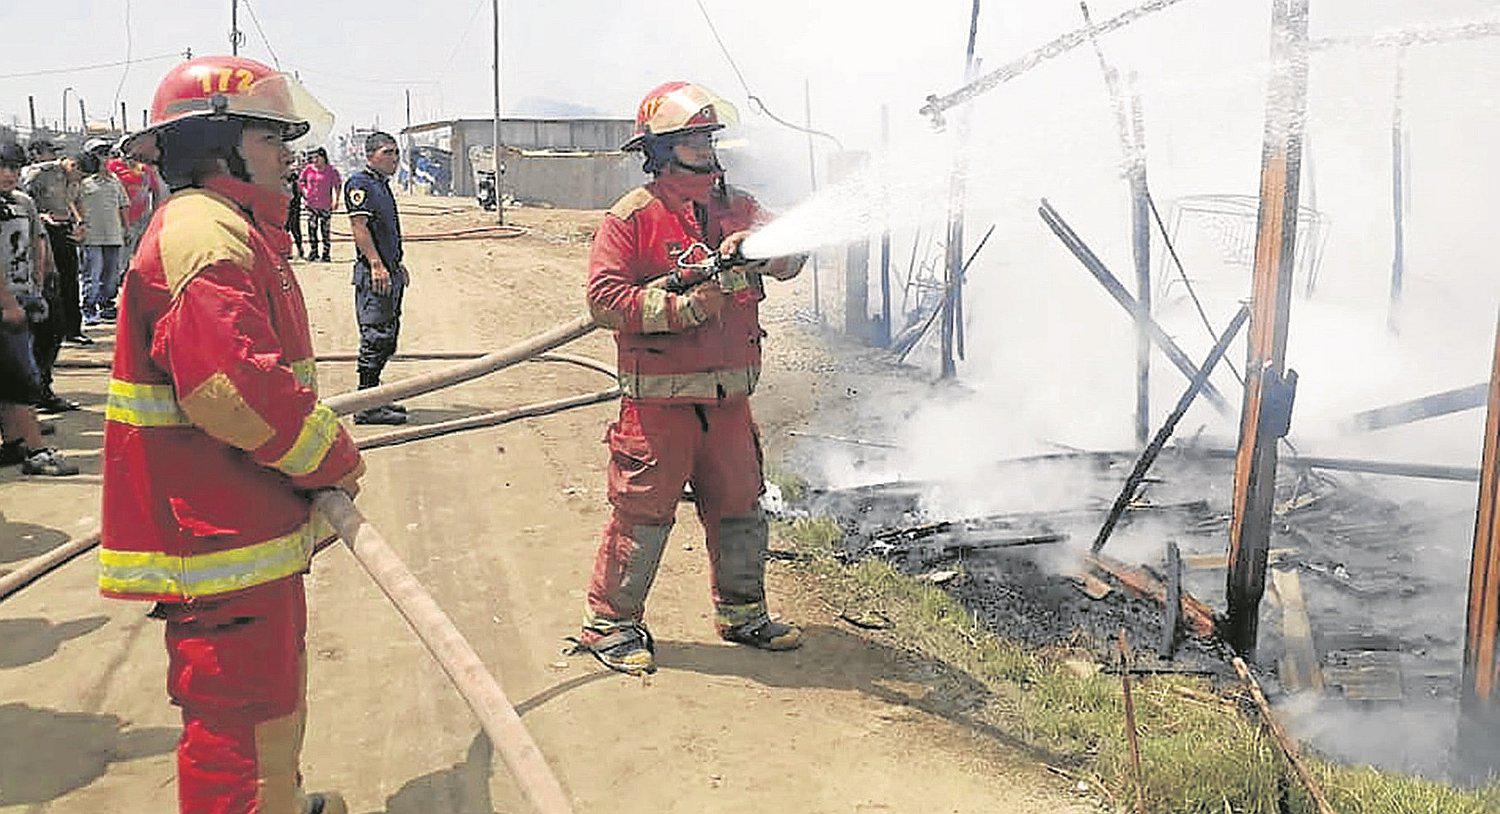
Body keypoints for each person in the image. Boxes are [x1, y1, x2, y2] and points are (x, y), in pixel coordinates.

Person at [100, 54, 362, 814]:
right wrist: (330, 456)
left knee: (268, 700)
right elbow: (229, 387)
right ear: (220, 145)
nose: (290, 154)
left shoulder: (227, 228)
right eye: (273, 137)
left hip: (242, 515)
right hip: (218, 529)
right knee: (237, 715)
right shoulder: (204, 237)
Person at [576, 81, 808, 675]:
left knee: (740, 508)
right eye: (691, 138)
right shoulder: (631, 217)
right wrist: (684, 309)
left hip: (729, 401)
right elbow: (605, 301)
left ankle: (742, 614)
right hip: (658, 408)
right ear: (660, 148)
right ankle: (611, 625)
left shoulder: (740, 206)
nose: (705, 147)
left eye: (708, 136)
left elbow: (795, 255)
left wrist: (761, 249)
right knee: (644, 515)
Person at [0, 141, 77, 476]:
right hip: (7, 303)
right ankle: (35, 451)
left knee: (17, 375)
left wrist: (40, 281)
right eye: (2, 168)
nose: (8, 175)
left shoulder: (21, 202)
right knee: (21, 380)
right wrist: (7, 303)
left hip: (24, 294)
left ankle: (16, 442)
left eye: (14, 168)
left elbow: (36, 240)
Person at [343, 132, 408, 426]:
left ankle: (373, 397)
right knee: (376, 337)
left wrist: (397, 265)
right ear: (370, 155)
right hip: (375, 275)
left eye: (396, 153)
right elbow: (360, 227)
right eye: (388, 152)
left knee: (388, 337)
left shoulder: (381, 185)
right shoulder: (360, 184)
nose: (394, 158)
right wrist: (376, 264)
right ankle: (365, 405)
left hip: (389, 270)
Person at [21, 141, 88, 409]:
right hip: (18, 275)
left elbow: (73, 203)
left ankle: (39, 391)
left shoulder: (21, 203)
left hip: (49, 249)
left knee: (52, 325)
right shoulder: (38, 176)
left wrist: (78, 224)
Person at [76, 149, 129, 325]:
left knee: (111, 275)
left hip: (113, 235)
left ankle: (107, 306)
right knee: (93, 272)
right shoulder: (83, 183)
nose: (104, 159)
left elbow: (123, 206)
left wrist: (126, 229)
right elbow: (72, 203)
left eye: (107, 154)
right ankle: (88, 308)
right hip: (91, 236)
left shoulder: (115, 182)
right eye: (100, 154)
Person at [106, 140, 167, 279]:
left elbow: (156, 191)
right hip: (120, 218)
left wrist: (155, 215)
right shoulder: (113, 167)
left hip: (142, 218)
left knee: (140, 253)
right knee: (121, 254)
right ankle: (118, 279)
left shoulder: (146, 169)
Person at [297, 147, 339, 263]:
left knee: (325, 230)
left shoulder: (331, 171)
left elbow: (337, 185)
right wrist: (304, 191)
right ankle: (314, 251)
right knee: (312, 228)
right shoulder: (308, 170)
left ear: (323, 157)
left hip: (325, 204)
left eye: (317, 157)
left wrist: (336, 200)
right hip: (311, 204)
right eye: (313, 158)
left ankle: (326, 253)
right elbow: (301, 181)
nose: (315, 160)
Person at [285, 161, 305, 260]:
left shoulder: (294, 179)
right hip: (284, 207)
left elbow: (299, 191)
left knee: (295, 229)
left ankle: (300, 249)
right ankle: (287, 251)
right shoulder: (280, 178)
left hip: (294, 207)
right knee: (285, 230)